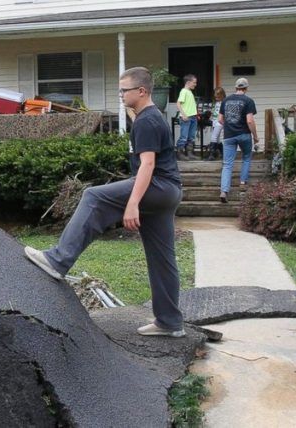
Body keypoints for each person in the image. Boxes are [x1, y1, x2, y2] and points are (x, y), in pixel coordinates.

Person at [24, 67, 185, 337]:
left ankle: (58, 260)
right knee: (162, 258)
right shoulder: (151, 116)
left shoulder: (146, 120)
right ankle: (170, 322)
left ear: (141, 91)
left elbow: (147, 165)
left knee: (94, 196)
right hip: (169, 191)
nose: (120, 94)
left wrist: (132, 204)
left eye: (124, 90)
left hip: (156, 186)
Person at [217, 78, 258, 203]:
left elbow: (220, 119)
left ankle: (224, 191)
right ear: (246, 88)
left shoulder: (226, 100)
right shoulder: (248, 101)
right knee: (246, 157)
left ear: (236, 87)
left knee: (227, 164)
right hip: (244, 134)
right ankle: (242, 182)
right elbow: (249, 121)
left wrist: (229, 126)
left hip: (229, 136)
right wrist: (255, 136)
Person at [175, 74, 198, 160]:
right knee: (184, 137)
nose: (195, 84)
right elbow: (178, 103)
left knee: (191, 137)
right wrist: (184, 115)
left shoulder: (189, 92)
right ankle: (180, 153)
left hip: (193, 117)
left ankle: (189, 153)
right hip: (186, 118)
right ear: (188, 82)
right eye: (194, 82)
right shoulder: (183, 91)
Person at [206, 87, 226, 161]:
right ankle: (222, 154)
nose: (216, 98)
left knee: (213, 137)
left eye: (218, 97)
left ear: (222, 95)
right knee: (218, 139)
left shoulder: (224, 102)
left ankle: (212, 155)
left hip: (219, 122)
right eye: (215, 96)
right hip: (214, 121)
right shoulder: (216, 103)